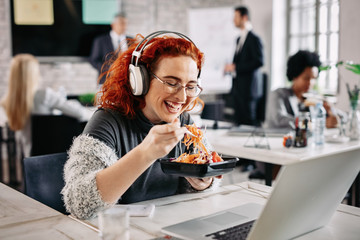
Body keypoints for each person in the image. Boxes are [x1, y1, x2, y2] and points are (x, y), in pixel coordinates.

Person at [62, 32, 222, 220]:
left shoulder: (185, 122)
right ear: (140, 80)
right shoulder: (108, 121)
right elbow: (78, 203)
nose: (182, 98)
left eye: (190, 86)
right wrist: (146, 153)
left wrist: (202, 182)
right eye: (171, 83)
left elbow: (209, 176)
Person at [0, 54, 93, 157]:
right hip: (52, 156)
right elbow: (81, 113)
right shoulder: (44, 95)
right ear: (34, 74)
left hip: (28, 157)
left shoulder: (6, 102)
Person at [264, 50, 338, 129]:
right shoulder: (279, 94)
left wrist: (331, 112)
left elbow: (343, 116)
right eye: (306, 78)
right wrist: (312, 124)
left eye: (313, 78)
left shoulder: (313, 97)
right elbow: (279, 119)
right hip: (278, 139)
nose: (310, 83)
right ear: (294, 76)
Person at [224, 6, 264, 126]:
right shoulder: (238, 39)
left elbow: (259, 61)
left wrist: (235, 67)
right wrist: (231, 67)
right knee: (238, 122)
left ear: (244, 17)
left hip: (249, 90)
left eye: (236, 17)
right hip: (238, 89)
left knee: (248, 124)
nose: (233, 20)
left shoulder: (254, 39)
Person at [89, 12, 132, 85]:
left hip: (126, 82)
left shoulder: (131, 41)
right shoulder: (100, 41)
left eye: (126, 24)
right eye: (121, 23)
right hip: (106, 81)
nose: (124, 26)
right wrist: (109, 68)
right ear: (113, 25)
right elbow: (93, 60)